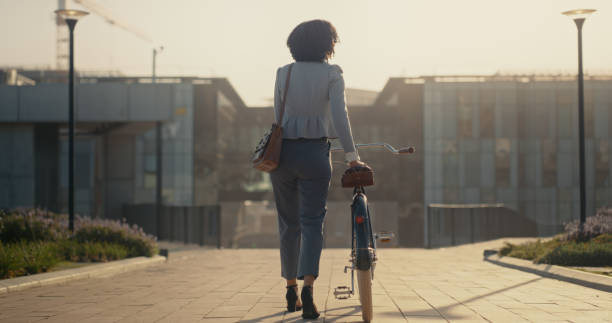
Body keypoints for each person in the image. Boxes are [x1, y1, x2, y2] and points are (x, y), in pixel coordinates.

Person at [270, 19, 366, 319]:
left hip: (282, 155)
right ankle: (309, 286)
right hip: (315, 154)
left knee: (288, 223)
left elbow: (277, 115)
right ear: (328, 45)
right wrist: (352, 156)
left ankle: (290, 289)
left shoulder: (283, 73)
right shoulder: (332, 74)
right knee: (312, 222)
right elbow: (341, 117)